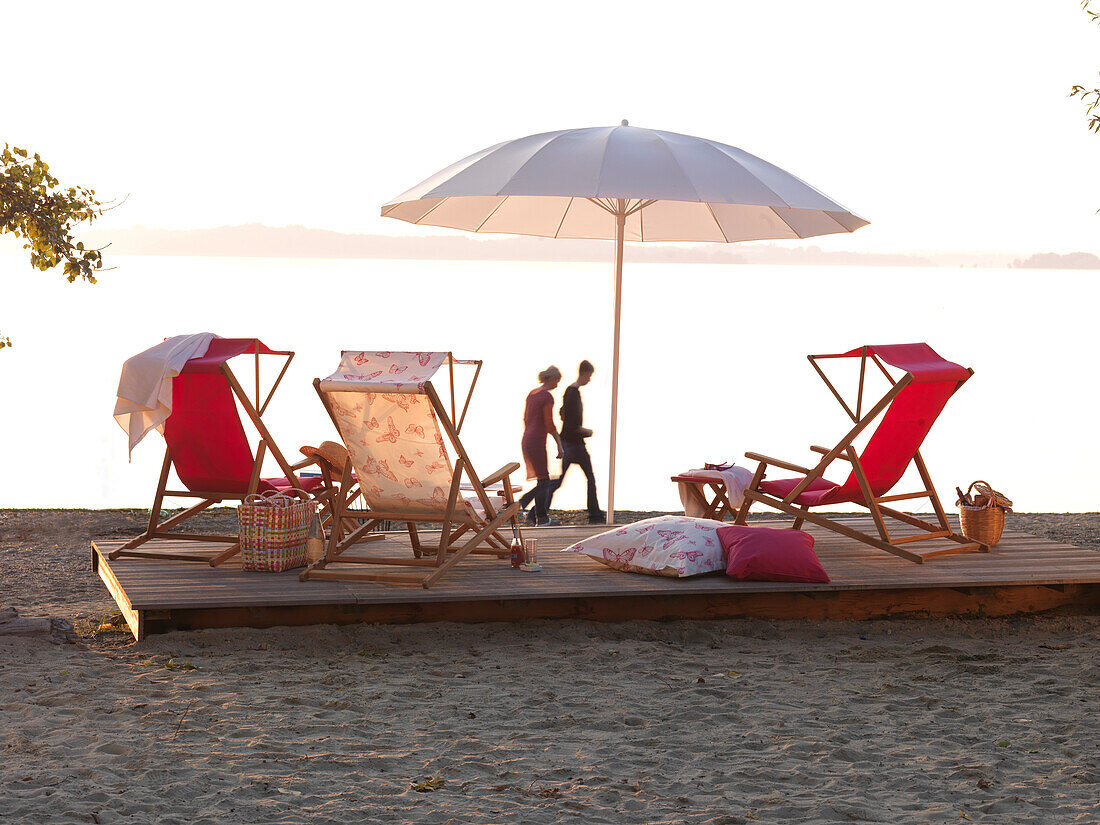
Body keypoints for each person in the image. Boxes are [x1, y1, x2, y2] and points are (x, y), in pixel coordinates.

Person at [549, 360, 605, 524]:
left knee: (559, 480)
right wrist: (585, 431)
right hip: (574, 444)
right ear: (584, 373)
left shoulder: (570, 391)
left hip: (570, 442)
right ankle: (595, 515)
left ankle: (537, 511)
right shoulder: (573, 392)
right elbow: (571, 423)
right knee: (589, 478)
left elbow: (562, 413)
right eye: (589, 375)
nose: (590, 379)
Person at [518, 366, 563, 526]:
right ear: (551, 379)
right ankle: (522, 503)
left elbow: (525, 419)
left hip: (527, 439)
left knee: (541, 480)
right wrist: (559, 444)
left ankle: (541, 518)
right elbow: (549, 424)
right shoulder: (546, 397)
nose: (557, 385)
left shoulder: (532, 394)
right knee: (544, 481)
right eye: (557, 381)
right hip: (537, 441)